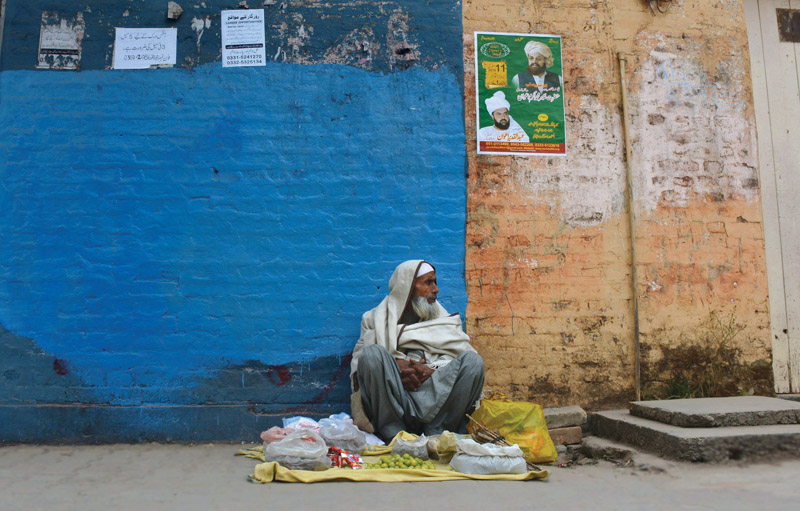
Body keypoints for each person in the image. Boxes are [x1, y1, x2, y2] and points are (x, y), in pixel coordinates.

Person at [350, 260, 485, 442]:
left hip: (437, 395)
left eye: (435, 283)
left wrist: (434, 370)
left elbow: (459, 355)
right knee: (372, 355)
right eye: (428, 282)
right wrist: (395, 366)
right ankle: (393, 431)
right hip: (396, 397)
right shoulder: (374, 319)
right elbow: (360, 371)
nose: (435, 289)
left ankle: (439, 430)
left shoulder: (443, 319)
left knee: (473, 362)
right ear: (407, 287)